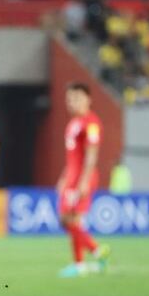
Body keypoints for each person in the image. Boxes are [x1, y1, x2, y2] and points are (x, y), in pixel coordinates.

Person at [55, 82, 110, 277]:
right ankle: (95, 252)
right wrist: (64, 176)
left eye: (77, 98)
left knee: (72, 219)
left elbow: (91, 155)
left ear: (88, 99)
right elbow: (73, 157)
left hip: (82, 178)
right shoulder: (73, 124)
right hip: (71, 177)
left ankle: (81, 263)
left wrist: (84, 181)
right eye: (69, 98)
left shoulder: (91, 123)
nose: (72, 102)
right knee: (66, 220)